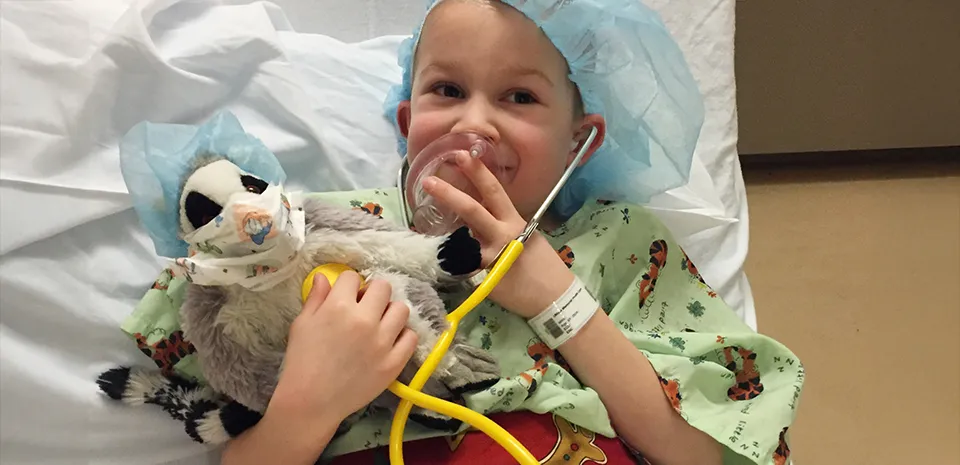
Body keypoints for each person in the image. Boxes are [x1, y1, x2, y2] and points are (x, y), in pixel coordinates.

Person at [156, 1, 802, 464]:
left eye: (520, 97)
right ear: (407, 121)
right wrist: (306, 403)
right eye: (447, 90)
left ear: (581, 139)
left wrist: (560, 300)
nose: (476, 122)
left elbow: (707, 450)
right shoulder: (321, 237)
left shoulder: (623, 245)